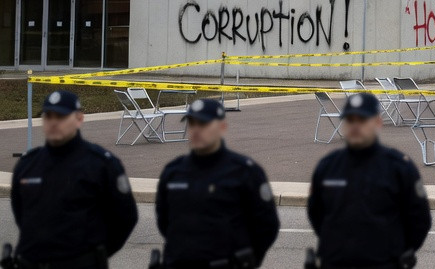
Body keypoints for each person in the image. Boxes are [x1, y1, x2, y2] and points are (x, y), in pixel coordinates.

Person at [6, 90, 138, 269]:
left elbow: (125, 217)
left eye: (61, 116)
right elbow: (21, 214)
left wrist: (95, 255)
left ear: (79, 119)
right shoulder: (27, 165)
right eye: (48, 116)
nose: (53, 122)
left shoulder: (101, 165)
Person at [307, 92, 432, 269]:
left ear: (378, 122)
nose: (355, 126)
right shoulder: (328, 167)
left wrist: (397, 252)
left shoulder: (398, 168)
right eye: (350, 120)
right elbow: (316, 213)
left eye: (362, 120)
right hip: (335, 263)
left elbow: (419, 219)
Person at [155, 98, 281, 268]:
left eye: (203, 124)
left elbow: (267, 225)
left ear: (222, 127)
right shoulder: (173, 172)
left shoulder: (245, 172)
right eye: (192, 123)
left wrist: (245, 261)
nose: (196, 130)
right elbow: (164, 222)